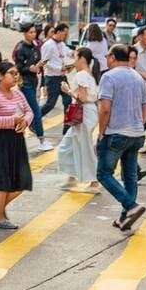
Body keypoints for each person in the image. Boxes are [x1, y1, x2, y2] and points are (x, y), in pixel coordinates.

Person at [96, 44, 146, 231]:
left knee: (103, 173)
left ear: (112, 57)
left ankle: (131, 206)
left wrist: (101, 133)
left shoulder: (108, 77)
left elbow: (104, 109)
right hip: (136, 134)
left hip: (116, 133)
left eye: (107, 55)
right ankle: (125, 218)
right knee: (130, 176)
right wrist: (138, 125)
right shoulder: (138, 77)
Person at [0, 61, 35, 229]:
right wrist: (12, 120)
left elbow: (29, 111)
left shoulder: (17, 93)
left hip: (16, 140)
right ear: (1, 76)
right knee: (1, 181)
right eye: (11, 73)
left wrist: (25, 122)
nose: (15, 76)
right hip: (0, 140)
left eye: (16, 73)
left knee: (22, 179)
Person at [57, 48, 101, 192]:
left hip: (84, 113)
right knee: (67, 146)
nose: (73, 61)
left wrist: (67, 90)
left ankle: (94, 181)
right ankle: (72, 177)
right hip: (87, 113)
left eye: (75, 57)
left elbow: (81, 97)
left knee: (85, 147)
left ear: (82, 59)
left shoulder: (81, 75)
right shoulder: (89, 75)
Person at [12, 22, 54, 152]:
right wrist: (30, 68)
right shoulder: (20, 48)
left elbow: (37, 64)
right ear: (25, 33)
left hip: (35, 82)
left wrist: (39, 66)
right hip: (25, 83)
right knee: (35, 110)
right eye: (31, 32)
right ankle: (42, 139)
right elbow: (18, 67)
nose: (33, 34)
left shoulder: (36, 46)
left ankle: (22, 134)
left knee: (26, 111)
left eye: (34, 32)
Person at [40, 23, 73, 131]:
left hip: (62, 77)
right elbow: (44, 62)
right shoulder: (48, 45)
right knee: (50, 104)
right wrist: (59, 68)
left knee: (68, 101)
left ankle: (67, 128)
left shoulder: (62, 44)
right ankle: (33, 119)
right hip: (53, 77)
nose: (65, 36)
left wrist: (74, 53)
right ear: (58, 32)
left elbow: (67, 52)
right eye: (64, 34)